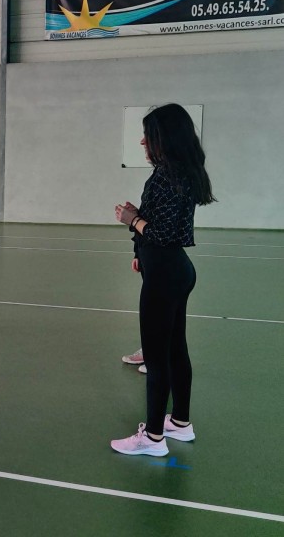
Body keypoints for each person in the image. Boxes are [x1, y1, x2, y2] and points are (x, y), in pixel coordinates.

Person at [111, 103, 215, 456]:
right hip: (172, 271)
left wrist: (131, 219)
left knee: (156, 359)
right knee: (174, 350)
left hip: (166, 275)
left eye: (148, 135)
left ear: (165, 138)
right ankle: (180, 422)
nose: (143, 142)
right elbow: (158, 228)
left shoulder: (169, 176)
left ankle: (153, 437)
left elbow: (163, 234)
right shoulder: (177, 172)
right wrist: (139, 247)